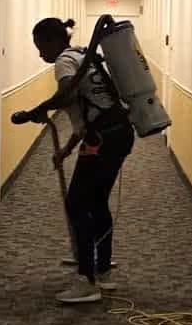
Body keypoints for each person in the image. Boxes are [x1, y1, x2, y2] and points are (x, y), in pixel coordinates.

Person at [14, 17, 134, 305]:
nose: (40, 53)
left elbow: (66, 93)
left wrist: (35, 111)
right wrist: (66, 151)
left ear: (53, 41)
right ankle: (102, 269)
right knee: (95, 202)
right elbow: (86, 115)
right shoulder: (84, 54)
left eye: (40, 45)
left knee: (77, 203)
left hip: (103, 139)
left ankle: (86, 280)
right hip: (116, 134)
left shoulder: (65, 63)